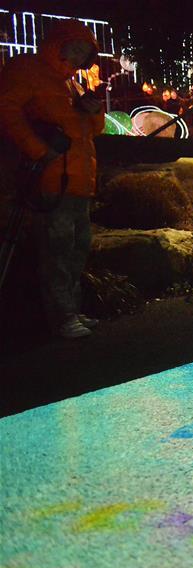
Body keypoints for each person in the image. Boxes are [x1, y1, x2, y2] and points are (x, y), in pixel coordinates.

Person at [0, 20, 105, 339]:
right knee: (57, 251)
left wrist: (93, 110)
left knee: (77, 248)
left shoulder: (71, 84)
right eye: (74, 49)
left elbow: (94, 131)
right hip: (50, 183)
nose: (77, 58)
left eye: (83, 53)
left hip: (77, 184)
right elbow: (6, 110)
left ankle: (71, 311)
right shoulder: (27, 70)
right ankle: (62, 318)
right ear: (58, 44)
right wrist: (38, 151)